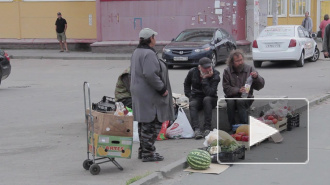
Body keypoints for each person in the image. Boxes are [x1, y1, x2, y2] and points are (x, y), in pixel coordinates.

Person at [130, 28, 174, 162]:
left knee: (143, 122)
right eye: (154, 37)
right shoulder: (148, 54)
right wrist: (162, 89)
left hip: (139, 92)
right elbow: (150, 74)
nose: (155, 39)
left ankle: (143, 151)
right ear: (150, 39)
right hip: (149, 93)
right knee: (152, 122)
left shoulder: (137, 52)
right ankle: (148, 153)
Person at [222, 50, 265, 129]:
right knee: (230, 102)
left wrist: (256, 77)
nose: (240, 62)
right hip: (232, 97)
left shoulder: (250, 69)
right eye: (237, 61)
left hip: (246, 98)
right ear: (232, 62)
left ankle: (244, 126)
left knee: (240, 101)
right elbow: (226, 88)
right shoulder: (227, 71)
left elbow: (260, 86)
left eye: (241, 60)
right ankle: (232, 126)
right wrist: (238, 90)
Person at [184, 57, 220, 139]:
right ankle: (196, 129)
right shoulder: (193, 72)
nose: (208, 69)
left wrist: (205, 79)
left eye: (209, 67)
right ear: (199, 67)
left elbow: (210, 93)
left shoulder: (215, 74)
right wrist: (190, 96)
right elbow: (186, 84)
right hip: (197, 97)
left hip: (211, 98)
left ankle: (207, 128)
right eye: (205, 68)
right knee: (192, 104)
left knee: (206, 99)